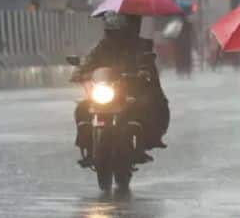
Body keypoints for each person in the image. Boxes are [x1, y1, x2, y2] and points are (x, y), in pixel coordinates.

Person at [73, 12, 170, 166]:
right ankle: (86, 146)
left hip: (129, 92)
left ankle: (142, 144)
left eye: (118, 22)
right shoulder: (103, 46)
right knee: (82, 108)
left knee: (146, 107)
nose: (114, 27)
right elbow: (91, 61)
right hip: (106, 92)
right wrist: (80, 72)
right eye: (111, 22)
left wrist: (143, 71)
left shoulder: (138, 45)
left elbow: (147, 64)